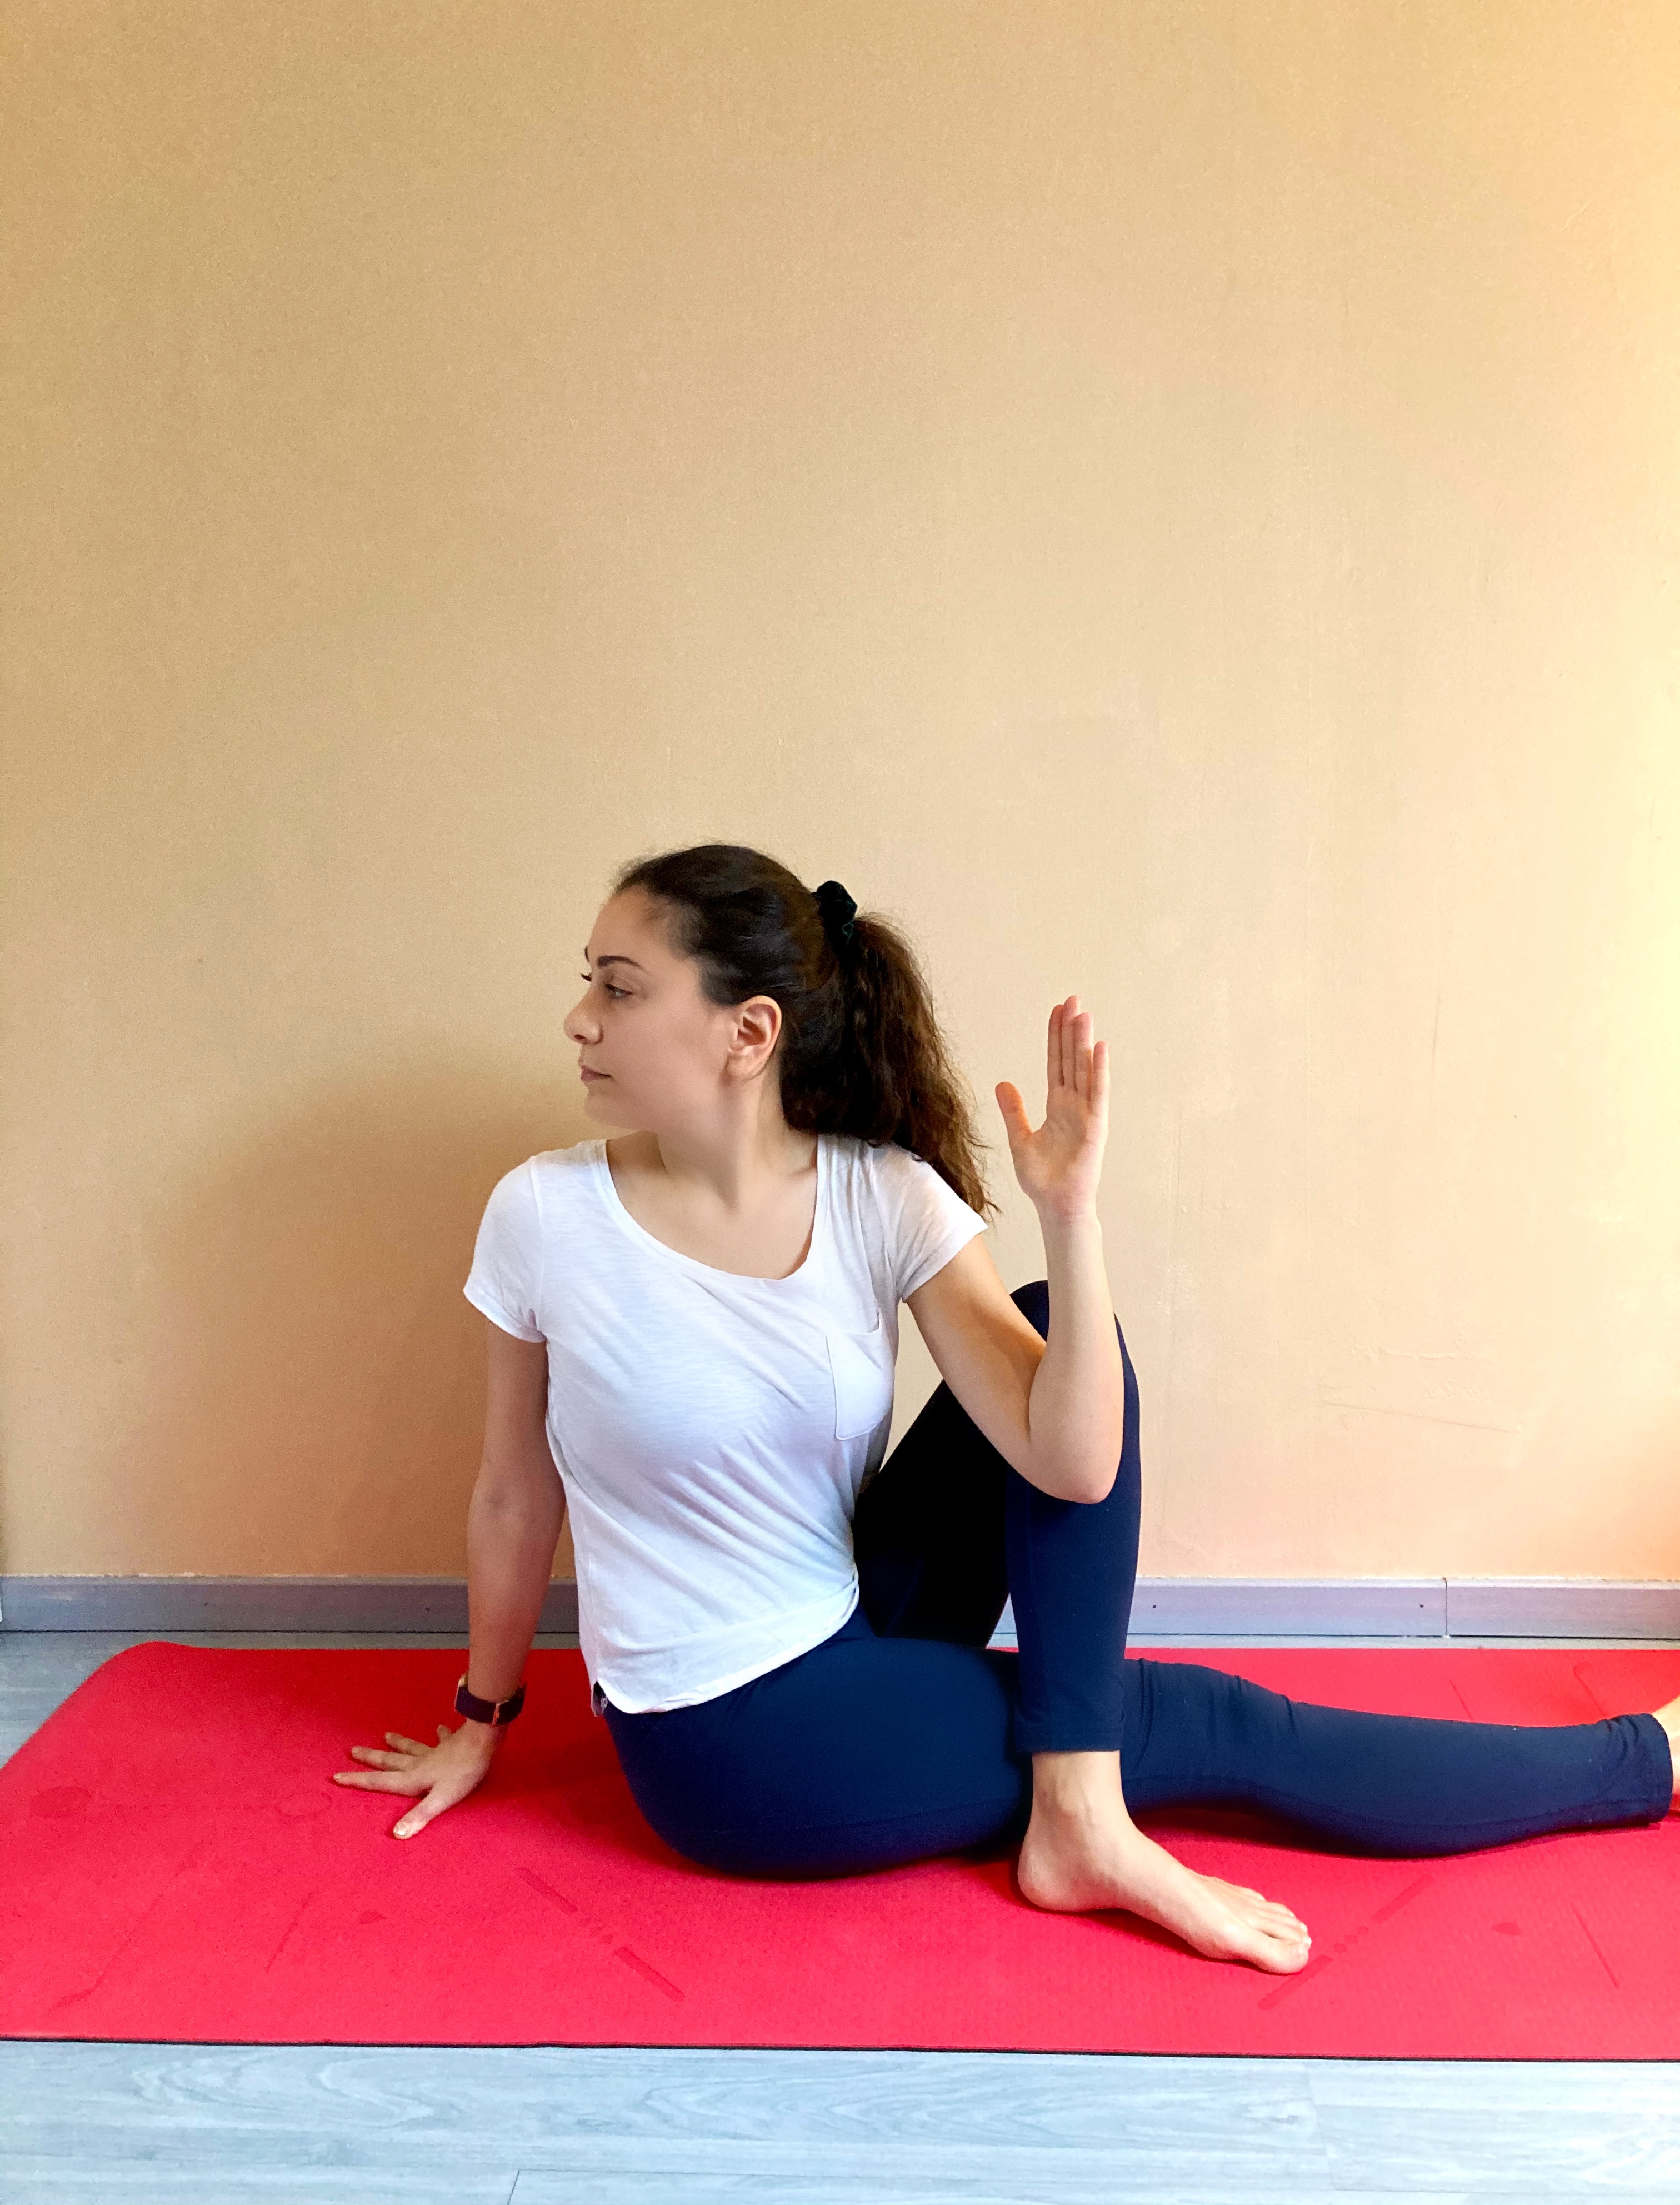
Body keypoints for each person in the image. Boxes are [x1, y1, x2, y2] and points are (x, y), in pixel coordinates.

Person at [333, 842, 1679, 1977]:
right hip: (730, 1741)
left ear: (750, 1033)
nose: (580, 1019)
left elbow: (1072, 1462)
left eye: (619, 989)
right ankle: (1638, 1766)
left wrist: (1071, 1216)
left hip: (853, 1612)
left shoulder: (878, 1194)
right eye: (588, 983)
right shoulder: (547, 1215)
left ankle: (1077, 1803)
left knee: (1054, 1320)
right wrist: (480, 1716)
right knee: (1210, 1723)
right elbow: (514, 1490)